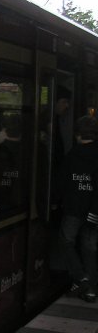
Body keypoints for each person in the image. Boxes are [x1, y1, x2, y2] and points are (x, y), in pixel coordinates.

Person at [56, 114, 98, 302]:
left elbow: (62, 182)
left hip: (73, 208)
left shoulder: (72, 155)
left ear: (78, 135)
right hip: (93, 210)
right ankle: (90, 289)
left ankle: (81, 278)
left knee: (66, 241)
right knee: (89, 248)